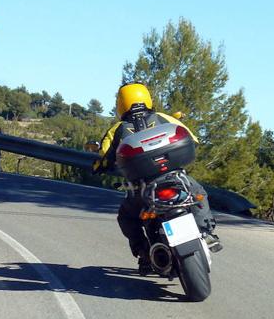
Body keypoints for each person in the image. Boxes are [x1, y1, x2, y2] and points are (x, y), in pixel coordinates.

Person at [93, 83, 222, 275]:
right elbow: (193, 139)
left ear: (121, 103)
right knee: (198, 194)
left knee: (127, 217)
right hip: (175, 178)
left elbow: (104, 155)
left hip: (143, 186)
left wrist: (99, 167)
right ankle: (207, 232)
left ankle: (144, 254)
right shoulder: (164, 118)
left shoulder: (118, 129)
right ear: (147, 98)